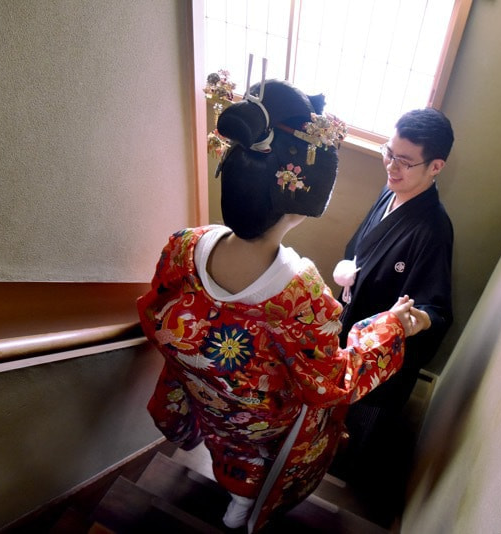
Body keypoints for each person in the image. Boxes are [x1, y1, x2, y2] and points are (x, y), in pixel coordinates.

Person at [137, 77, 429, 533]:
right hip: (260, 421)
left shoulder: (182, 245)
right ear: (301, 205)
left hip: (202, 395)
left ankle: (234, 487)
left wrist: (204, 357)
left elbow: (153, 314)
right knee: (255, 453)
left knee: (222, 437)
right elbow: (330, 382)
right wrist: (390, 328)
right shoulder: (300, 294)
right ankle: (242, 503)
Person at [330, 107, 455, 525]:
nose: (391, 166)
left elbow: (436, 310)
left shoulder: (433, 229)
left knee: (356, 433)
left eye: (404, 161)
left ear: (435, 166)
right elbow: (362, 245)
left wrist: (417, 320)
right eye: (389, 153)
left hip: (375, 361)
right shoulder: (392, 191)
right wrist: (349, 270)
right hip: (349, 327)